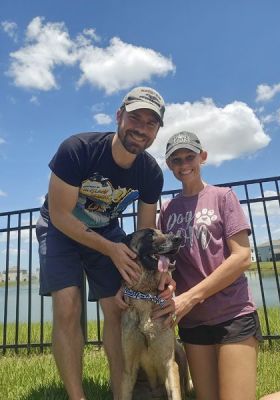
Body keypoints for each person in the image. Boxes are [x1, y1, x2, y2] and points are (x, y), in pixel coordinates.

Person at [36, 86, 173, 400]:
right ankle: (77, 396)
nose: (141, 128)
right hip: (60, 227)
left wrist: (145, 275)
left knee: (116, 306)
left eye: (150, 123)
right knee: (68, 305)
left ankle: (119, 391)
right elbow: (60, 214)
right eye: (134, 117)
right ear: (119, 116)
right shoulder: (78, 149)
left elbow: (146, 233)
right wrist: (110, 249)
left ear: (156, 131)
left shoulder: (151, 173)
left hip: (107, 229)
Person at [153, 131, 263, 400]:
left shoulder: (223, 197)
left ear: (203, 157)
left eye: (189, 156)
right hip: (193, 322)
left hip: (232, 313)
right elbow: (164, 263)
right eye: (176, 160)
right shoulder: (167, 211)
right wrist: (164, 280)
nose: (183, 164)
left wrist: (189, 297)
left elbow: (241, 257)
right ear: (169, 165)